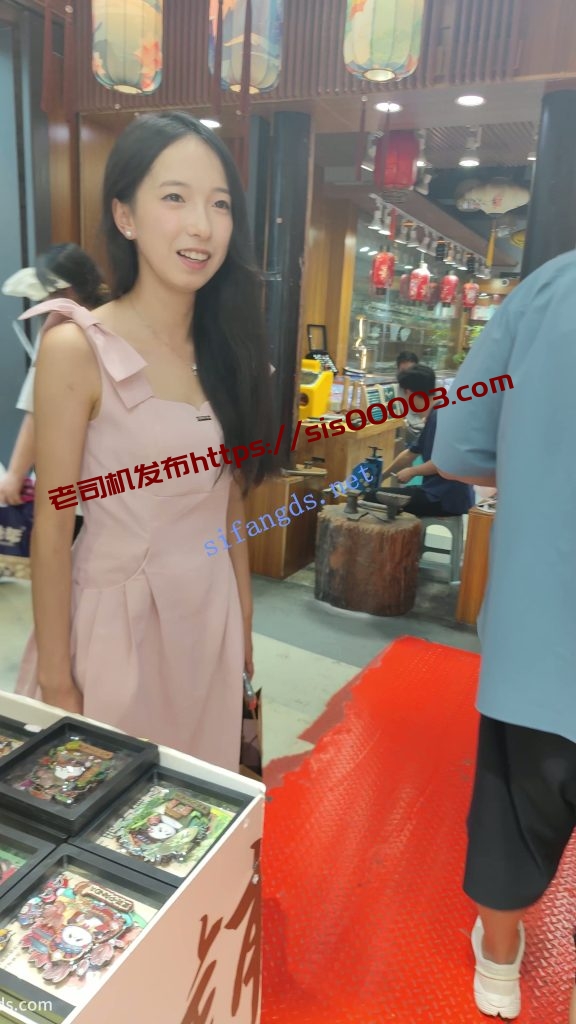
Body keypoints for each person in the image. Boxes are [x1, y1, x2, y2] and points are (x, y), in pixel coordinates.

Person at [15, 111, 275, 772]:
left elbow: (231, 508)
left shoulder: (230, 352)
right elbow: (53, 528)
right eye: (175, 198)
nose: (201, 225)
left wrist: (242, 625)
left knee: (194, 812)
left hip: (208, 623)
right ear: (125, 216)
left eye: (220, 204)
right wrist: (57, 680)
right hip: (116, 626)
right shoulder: (77, 347)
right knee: (106, 814)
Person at [432, 250, 576, 1019]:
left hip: (546, 627)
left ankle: (498, 965)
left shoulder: (550, 290)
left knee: (514, 814)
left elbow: (459, 446)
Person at [0, 245, 109, 534]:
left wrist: (14, 476)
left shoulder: (60, 334)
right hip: (121, 486)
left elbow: (39, 412)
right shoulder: (119, 321)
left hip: (74, 489)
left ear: (65, 292)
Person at [379, 364, 474, 517]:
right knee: (378, 494)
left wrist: (412, 471)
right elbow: (410, 454)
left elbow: (444, 462)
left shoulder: (439, 416)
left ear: (409, 393)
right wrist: (382, 476)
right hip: (443, 494)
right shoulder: (438, 412)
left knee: (373, 498)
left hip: (444, 498)